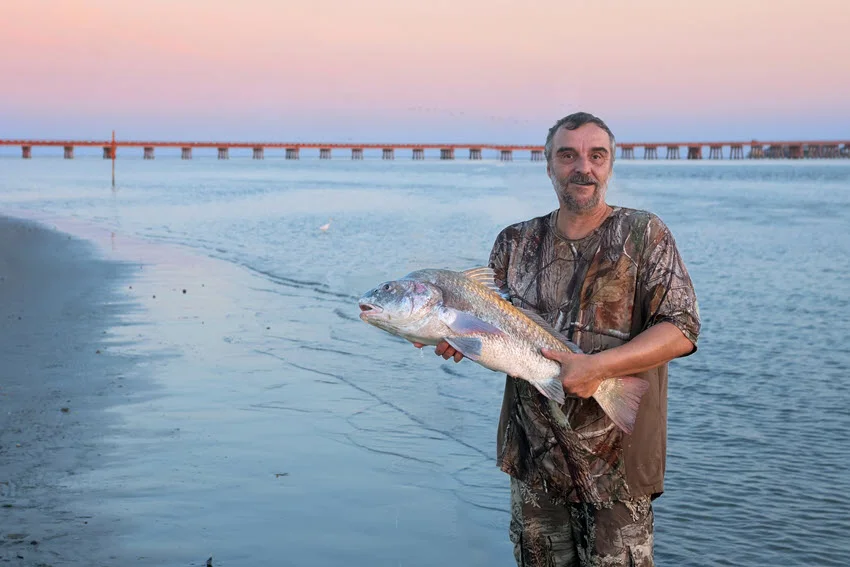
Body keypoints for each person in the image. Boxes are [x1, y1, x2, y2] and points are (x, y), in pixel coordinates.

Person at [415, 112, 700, 566]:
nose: (582, 167)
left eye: (596, 155)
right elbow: (493, 334)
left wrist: (601, 368)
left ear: (610, 165)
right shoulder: (514, 243)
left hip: (618, 470)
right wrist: (452, 338)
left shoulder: (645, 234)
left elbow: (682, 329)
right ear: (548, 165)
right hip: (534, 464)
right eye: (567, 155)